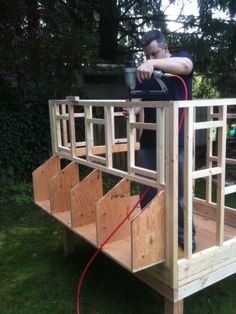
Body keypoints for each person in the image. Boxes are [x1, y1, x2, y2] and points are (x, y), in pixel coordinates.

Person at [124, 30, 196, 251]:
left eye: (154, 53)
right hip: (150, 142)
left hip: (179, 141)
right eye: (147, 56)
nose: (150, 59)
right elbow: (137, 102)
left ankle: (185, 237)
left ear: (166, 48)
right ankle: (151, 233)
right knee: (148, 192)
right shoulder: (145, 75)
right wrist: (132, 111)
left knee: (180, 195)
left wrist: (155, 65)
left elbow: (186, 65)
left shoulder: (179, 64)